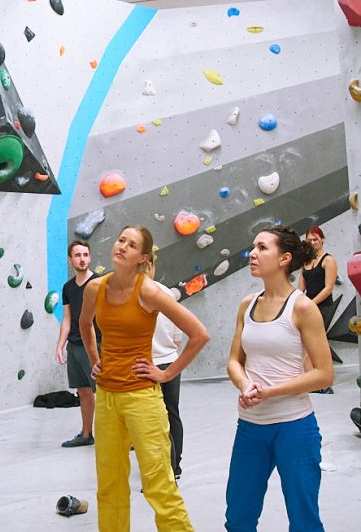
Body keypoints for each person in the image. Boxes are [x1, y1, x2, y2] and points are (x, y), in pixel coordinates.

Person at [79, 226, 210, 532]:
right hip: (107, 398)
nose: (122, 246)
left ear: (143, 257)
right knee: (109, 485)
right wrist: (95, 360)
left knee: (158, 485)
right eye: (120, 239)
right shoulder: (95, 288)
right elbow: (85, 324)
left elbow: (199, 335)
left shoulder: (149, 291)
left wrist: (166, 373)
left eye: (131, 244)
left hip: (142, 399)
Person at [225, 226, 334, 532]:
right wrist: (246, 385)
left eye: (261, 247)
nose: (252, 254)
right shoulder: (247, 304)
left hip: (295, 427)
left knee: (304, 521)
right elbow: (234, 360)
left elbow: (324, 374)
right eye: (252, 247)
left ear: (285, 258)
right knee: (238, 518)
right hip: (250, 427)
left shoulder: (303, 307)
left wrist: (269, 392)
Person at [56, 240, 100, 447]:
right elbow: (67, 318)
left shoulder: (100, 283)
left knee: (106, 393)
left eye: (85, 255)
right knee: (83, 391)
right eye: (77, 255)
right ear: (70, 259)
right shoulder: (68, 287)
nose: (82, 259)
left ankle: (125, 436)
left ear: (90, 258)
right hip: (75, 345)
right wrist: (60, 345)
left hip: (96, 346)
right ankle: (86, 434)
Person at [296, 225, 338, 393]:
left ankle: (325, 384)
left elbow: (328, 288)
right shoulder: (305, 263)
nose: (313, 242)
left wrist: (311, 304)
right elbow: (300, 289)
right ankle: (313, 382)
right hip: (308, 307)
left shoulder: (328, 260)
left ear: (322, 239)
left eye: (315, 239)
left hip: (323, 306)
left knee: (317, 344)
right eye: (309, 240)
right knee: (303, 343)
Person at [150, 296, 184, 480]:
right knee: (172, 413)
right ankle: (175, 465)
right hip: (170, 360)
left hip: (148, 364)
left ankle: (166, 469)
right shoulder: (166, 294)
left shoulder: (134, 294)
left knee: (154, 420)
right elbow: (177, 338)